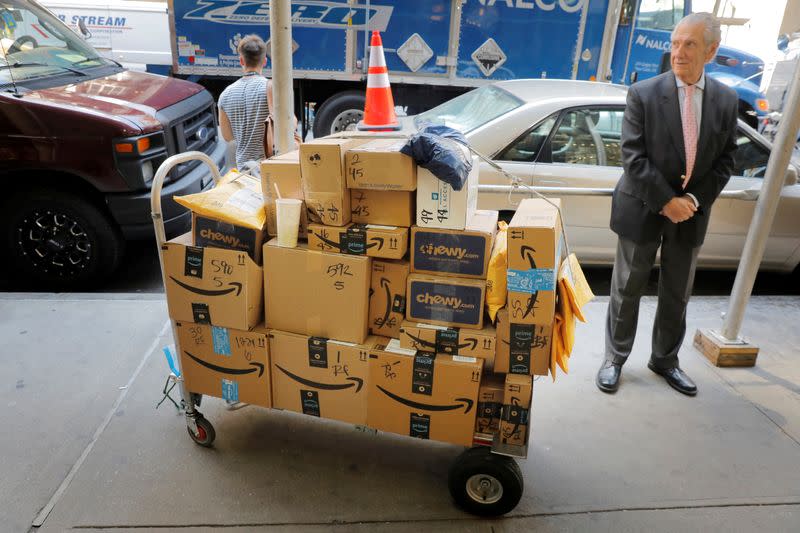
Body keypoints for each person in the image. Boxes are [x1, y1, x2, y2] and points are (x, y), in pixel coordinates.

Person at [596, 12, 738, 396]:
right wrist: (666, 202)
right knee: (627, 289)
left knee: (677, 293)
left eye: (689, 44)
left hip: (691, 214)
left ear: (711, 51)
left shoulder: (726, 100)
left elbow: (726, 160)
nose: (678, 52)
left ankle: (665, 361)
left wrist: (691, 200)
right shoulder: (643, 93)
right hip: (643, 207)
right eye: (675, 43)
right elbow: (633, 157)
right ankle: (614, 359)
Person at [218, 34, 273, 170]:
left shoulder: (225, 95)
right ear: (265, 61)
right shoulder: (272, 89)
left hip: (244, 170)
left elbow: (228, 136)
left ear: (241, 61)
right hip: (269, 168)